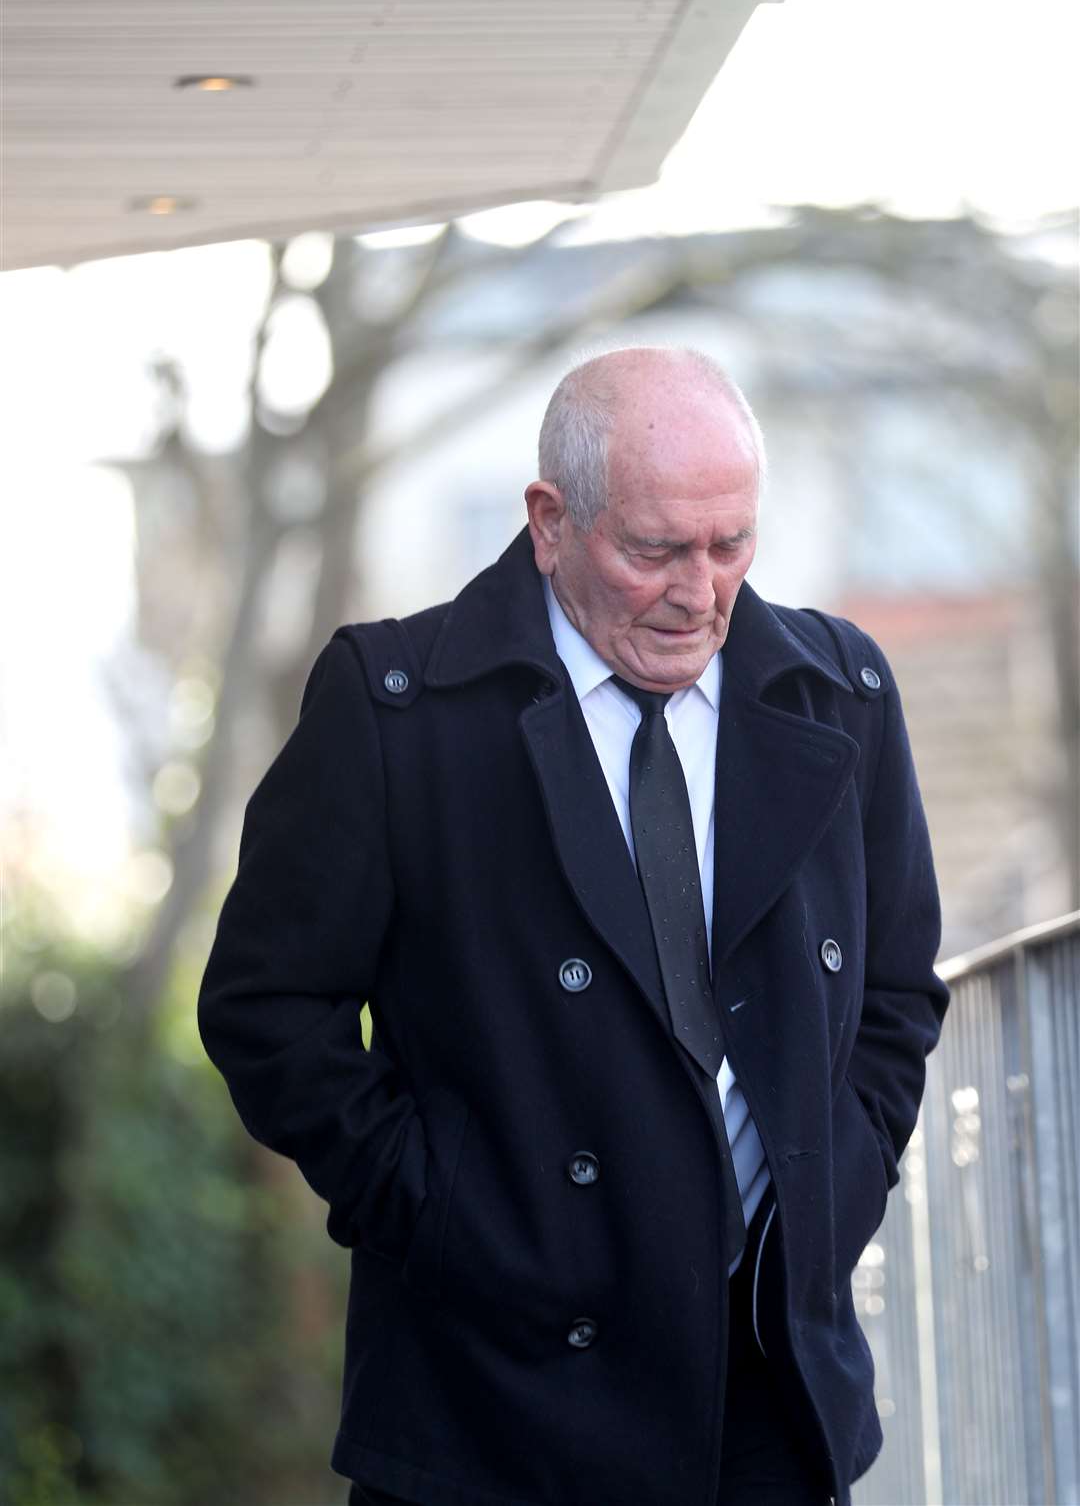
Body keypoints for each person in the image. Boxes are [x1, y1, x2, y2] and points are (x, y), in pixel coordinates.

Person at [198, 346, 947, 1506]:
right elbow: (266, 1009)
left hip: (770, 1397)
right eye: (653, 550)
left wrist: (831, 1192)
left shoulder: (840, 690)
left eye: (730, 544)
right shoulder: (397, 706)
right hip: (496, 1397)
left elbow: (899, 987)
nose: (700, 592)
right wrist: (443, 1214)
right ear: (549, 521)